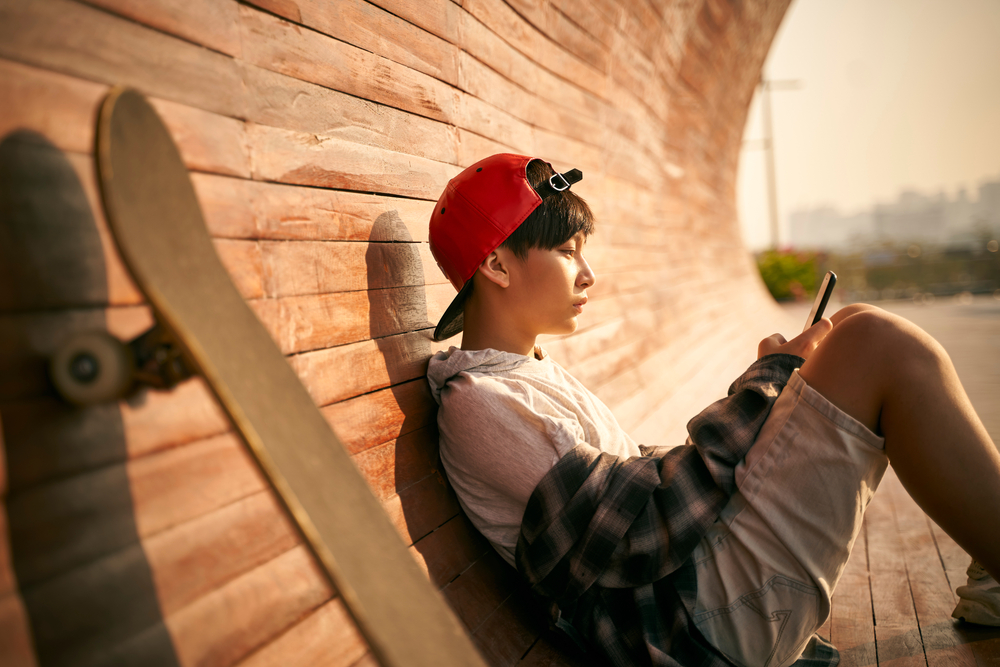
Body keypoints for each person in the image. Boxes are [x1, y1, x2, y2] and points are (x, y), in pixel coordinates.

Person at [425, 154, 1000, 667]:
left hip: (697, 587)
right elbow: (642, 530)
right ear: (498, 267)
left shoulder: (528, 376)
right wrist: (762, 388)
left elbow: (636, 485)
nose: (588, 273)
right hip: (693, 625)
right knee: (875, 342)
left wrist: (771, 402)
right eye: (567, 251)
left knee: (854, 327)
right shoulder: (481, 404)